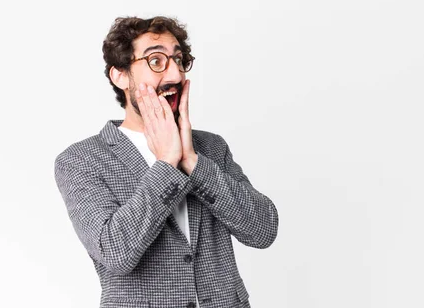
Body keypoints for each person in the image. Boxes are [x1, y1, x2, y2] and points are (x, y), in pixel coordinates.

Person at [53, 16, 279, 308]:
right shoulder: (80, 160)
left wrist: (193, 162)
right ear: (120, 75)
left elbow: (263, 231)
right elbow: (116, 253)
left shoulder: (211, 147)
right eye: (156, 61)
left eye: (179, 60)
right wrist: (167, 163)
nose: (175, 74)